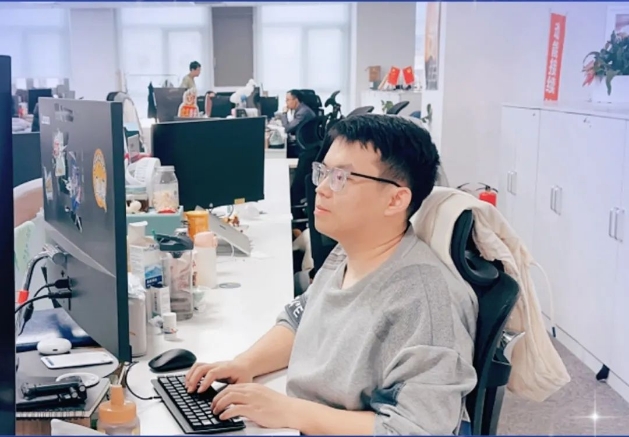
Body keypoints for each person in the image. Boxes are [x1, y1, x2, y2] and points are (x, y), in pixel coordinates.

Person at [185, 114, 478, 435]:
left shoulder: (425, 301)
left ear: (396, 199)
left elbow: (417, 429)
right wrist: (245, 364)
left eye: (341, 177)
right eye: (322, 173)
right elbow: (300, 319)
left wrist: (289, 411)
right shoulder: (350, 250)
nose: (321, 189)